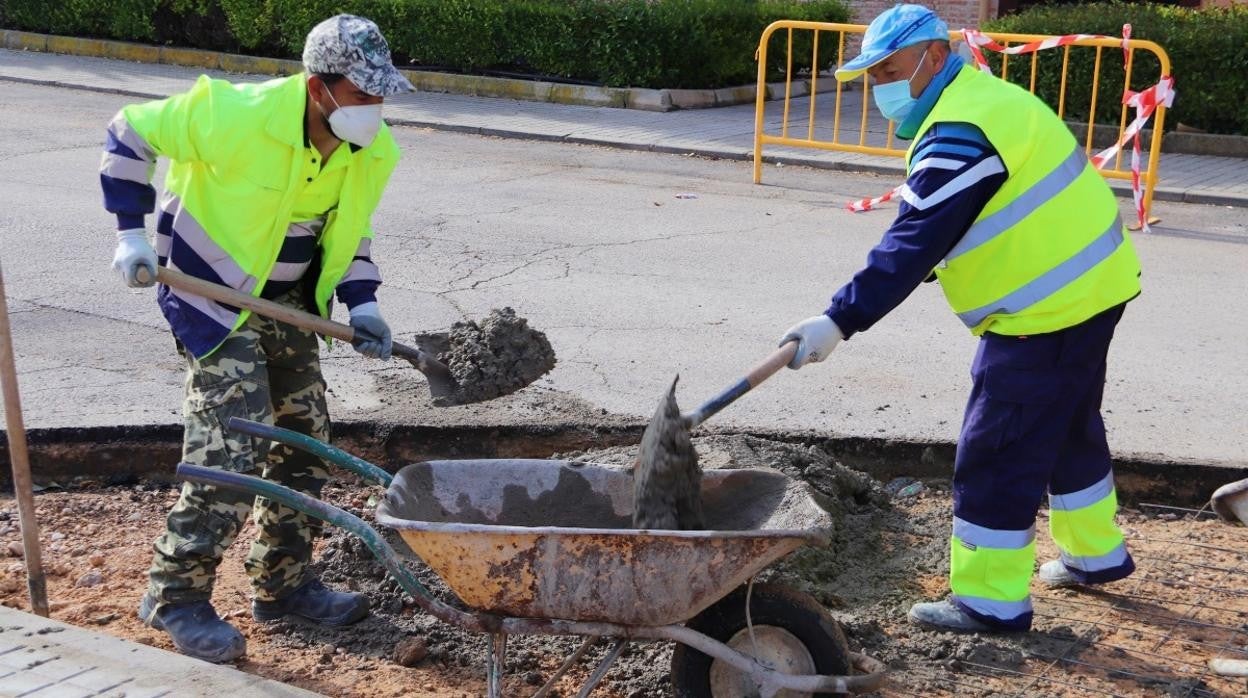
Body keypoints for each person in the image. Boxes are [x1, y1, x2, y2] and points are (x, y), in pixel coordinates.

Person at [778, 3, 1140, 633]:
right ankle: (1096, 556)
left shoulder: (960, 132)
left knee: (996, 448)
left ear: (934, 57)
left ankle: (990, 600)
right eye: (870, 75)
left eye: (887, 70)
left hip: (1044, 312)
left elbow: (913, 242)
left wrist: (837, 321)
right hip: (1092, 290)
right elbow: (957, 228)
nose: (878, 87)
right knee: (1069, 423)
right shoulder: (982, 99)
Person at [99, 14, 413, 661]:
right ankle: (174, 595)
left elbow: (350, 232)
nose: (374, 111)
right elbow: (129, 132)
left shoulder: (370, 149)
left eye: (381, 97)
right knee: (234, 444)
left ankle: (283, 583)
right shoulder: (234, 116)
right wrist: (130, 233)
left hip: (288, 299)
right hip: (209, 293)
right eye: (362, 96)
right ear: (318, 87)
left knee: (306, 440)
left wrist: (366, 304)